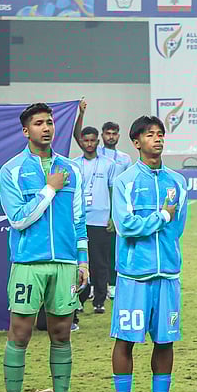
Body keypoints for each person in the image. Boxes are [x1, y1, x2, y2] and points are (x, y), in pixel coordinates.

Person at [0, 103, 88, 392]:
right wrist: (50, 189)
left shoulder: (71, 169)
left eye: (49, 122)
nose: (46, 127)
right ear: (26, 131)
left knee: (62, 334)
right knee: (20, 334)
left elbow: (78, 219)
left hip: (65, 263)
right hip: (28, 263)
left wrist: (83, 260)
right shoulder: (11, 170)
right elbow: (18, 219)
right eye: (38, 123)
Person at [109, 116, 189, 392]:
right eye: (150, 134)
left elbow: (178, 227)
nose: (157, 139)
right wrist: (161, 218)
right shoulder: (125, 181)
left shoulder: (177, 182)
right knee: (125, 340)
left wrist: (165, 232)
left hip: (167, 274)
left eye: (160, 134)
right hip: (134, 276)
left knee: (165, 340)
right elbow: (126, 226)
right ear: (136, 142)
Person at [76, 126, 116, 316]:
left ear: (98, 142)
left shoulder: (108, 164)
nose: (90, 144)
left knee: (101, 263)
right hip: (80, 221)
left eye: (93, 140)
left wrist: (112, 216)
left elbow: (113, 191)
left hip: (101, 220)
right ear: (81, 142)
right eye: (86, 140)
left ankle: (99, 300)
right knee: (80, 262)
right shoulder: (74, 164)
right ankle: (80, 299)